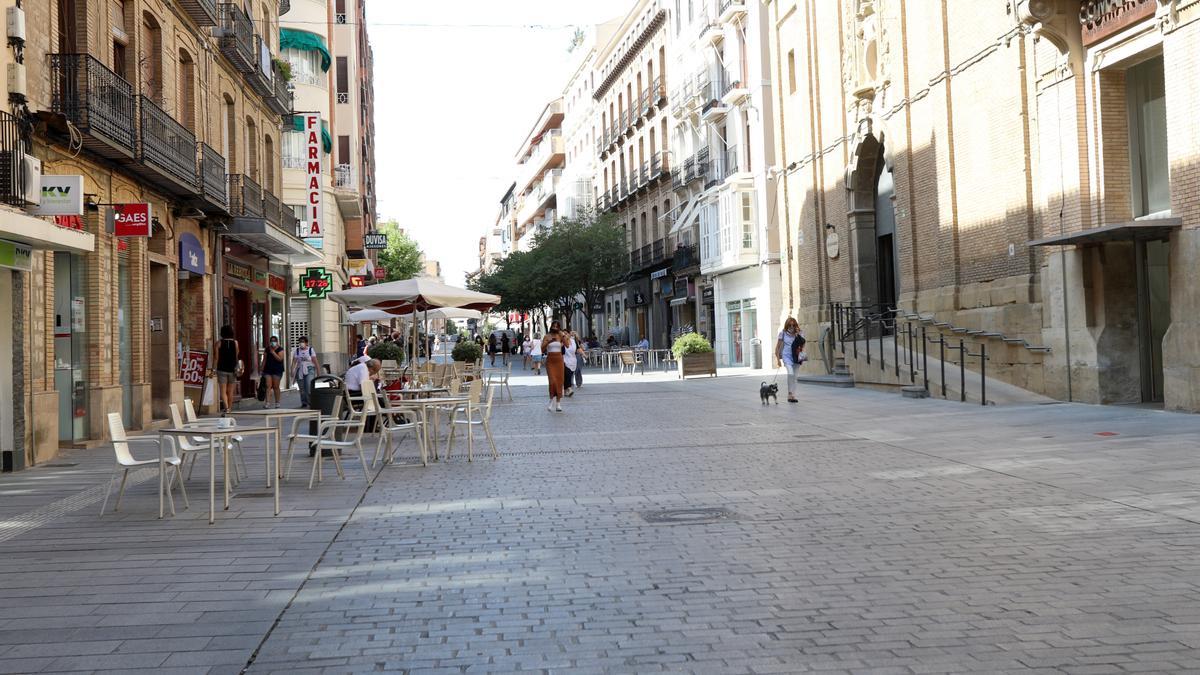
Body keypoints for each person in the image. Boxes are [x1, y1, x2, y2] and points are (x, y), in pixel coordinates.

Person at [774, 317, 806, 404]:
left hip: (796, 356)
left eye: (793, 325)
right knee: (790, 373)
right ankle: (789, 393)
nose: (791, 327)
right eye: (790, 325)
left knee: (795, 377)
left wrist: (798, 335)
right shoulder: (783, 333)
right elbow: (777, 347)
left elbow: (803, 344)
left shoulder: (800, 333)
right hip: (786, 356)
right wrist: (778, 360)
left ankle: (792, 395)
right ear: (787, 325)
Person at [213, 325, 240, 416]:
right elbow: (236, 356)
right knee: (230, 391)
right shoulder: (235, 343)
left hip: (221, 369)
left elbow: (216, 358)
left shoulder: (218, 343)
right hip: (232, 370)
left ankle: (226, 408)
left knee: (223, 391)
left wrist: (213, 369)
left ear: (222, 333)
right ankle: (230, 409)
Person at [541, 327, 565, 412]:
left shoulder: (560, 336)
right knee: (552, 381)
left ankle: (558, 403)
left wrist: (564, 336)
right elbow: (542, 349)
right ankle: (551, 400)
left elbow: (568, 345)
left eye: (557, 326)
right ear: (551, 327)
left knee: (559, 381)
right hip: (550, 360)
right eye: (554, 326)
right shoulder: (547, 336)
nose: (555, 327)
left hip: (559, 359)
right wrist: (549, 342)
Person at [293, 336, 319, 408]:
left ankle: (311, 402)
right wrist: (292, 370)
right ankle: (304, 402)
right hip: (300, 369)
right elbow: (294, 361)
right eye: (300, 342)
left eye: (303, 342)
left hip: (309, 369)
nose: (301, 343)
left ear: (306, 343)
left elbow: (315, 361)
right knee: (301, 387)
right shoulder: (297, 351)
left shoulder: (310, 350)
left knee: (308, 385)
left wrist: (318, 371)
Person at [262, 335, 285, 408]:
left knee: (276, 386)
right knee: (268, 386)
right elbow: (264, 359)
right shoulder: (267, 349)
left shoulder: (280, 349)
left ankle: (277, 402)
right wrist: (261, 368)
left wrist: (273, 352)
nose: (273, 342)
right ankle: (267, 403)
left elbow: (280, 359)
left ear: (277, 342)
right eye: (271, 341)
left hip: (277, 370)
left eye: (274, 341)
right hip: (268, 370)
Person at [562, 330, 578, 397]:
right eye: (564, 334)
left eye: (566, 333)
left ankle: (566, 391)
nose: (565, 335)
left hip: (573, 361)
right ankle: (569, 389)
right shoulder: (562, 343)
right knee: (567, 375)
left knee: (568, 376)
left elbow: (578, 349)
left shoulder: (573, 341)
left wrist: (583, 354)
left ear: (569, 334)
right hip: (564, 361)